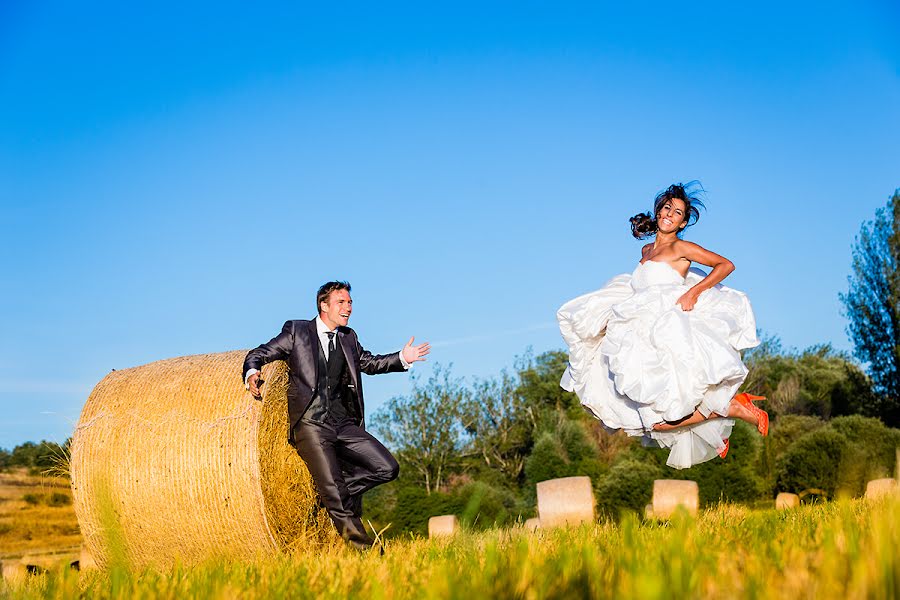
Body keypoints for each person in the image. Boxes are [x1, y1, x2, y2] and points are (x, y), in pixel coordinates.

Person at [557, 182, 767, 469]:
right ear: (658, 211)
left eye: (678, 212)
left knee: (660, 419)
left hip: (669, 330)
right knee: (651, 422)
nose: (670, 214)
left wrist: (695, 291)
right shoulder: (646, 250)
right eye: (667, 207)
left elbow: (725, 265)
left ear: (683, 221)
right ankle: (731, 406)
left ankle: (733, 408)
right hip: (642, 332)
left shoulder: (682, 247)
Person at [242, 281, 430, 550]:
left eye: (350, 302)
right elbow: (259, 353)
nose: (348, 308)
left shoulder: (348, 337)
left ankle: (326, 494)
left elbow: (368, 363)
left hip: (343, 423)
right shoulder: (296, 331)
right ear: (324, 305)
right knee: (338, 496)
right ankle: (367, 552)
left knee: (387, 467)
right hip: (311, 424)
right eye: (341, 302)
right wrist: (252, 372)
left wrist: (402, 357)